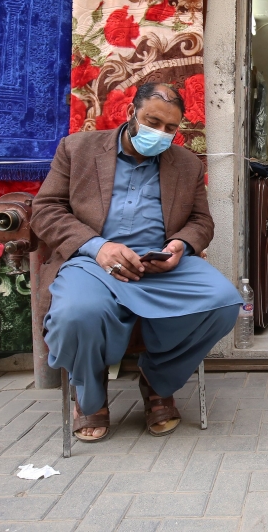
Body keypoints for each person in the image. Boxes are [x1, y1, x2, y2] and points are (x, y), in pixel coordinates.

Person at [32, 82, 242, 443]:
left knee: (224, 303)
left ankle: (157, 381)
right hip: (93, 262)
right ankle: (90, 396)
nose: (160, 133)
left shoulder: (186, 163)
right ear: (131, 113)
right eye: (152, 121)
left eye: (170, 128)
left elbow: (201, 221)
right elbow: (45, 210)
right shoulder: (77, 148)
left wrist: (180, 245)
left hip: (158, 263)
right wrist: (98, 247)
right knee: (75, 314)